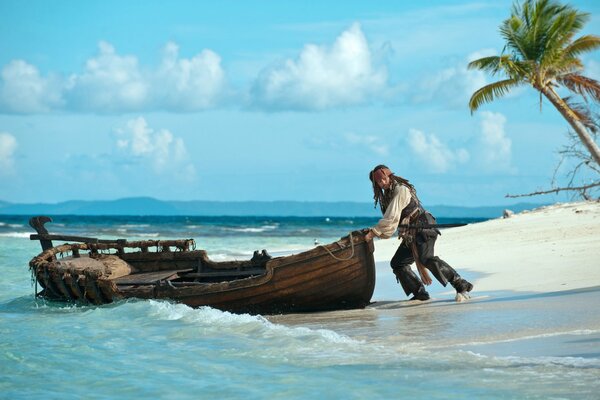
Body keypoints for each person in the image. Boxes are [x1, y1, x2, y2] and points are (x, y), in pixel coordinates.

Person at [364, 165, 473, 301]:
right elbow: (393, 219)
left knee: (425, 258)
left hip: (423, 227)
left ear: (389, 176)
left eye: (384, 179)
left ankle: (461, 284)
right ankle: (420, 293)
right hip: (411, 234)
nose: (382, 183)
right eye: (379, 182)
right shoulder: (387, 196)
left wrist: (374, 232)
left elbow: (391, 218)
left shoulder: (401, 190)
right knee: (398, 263)